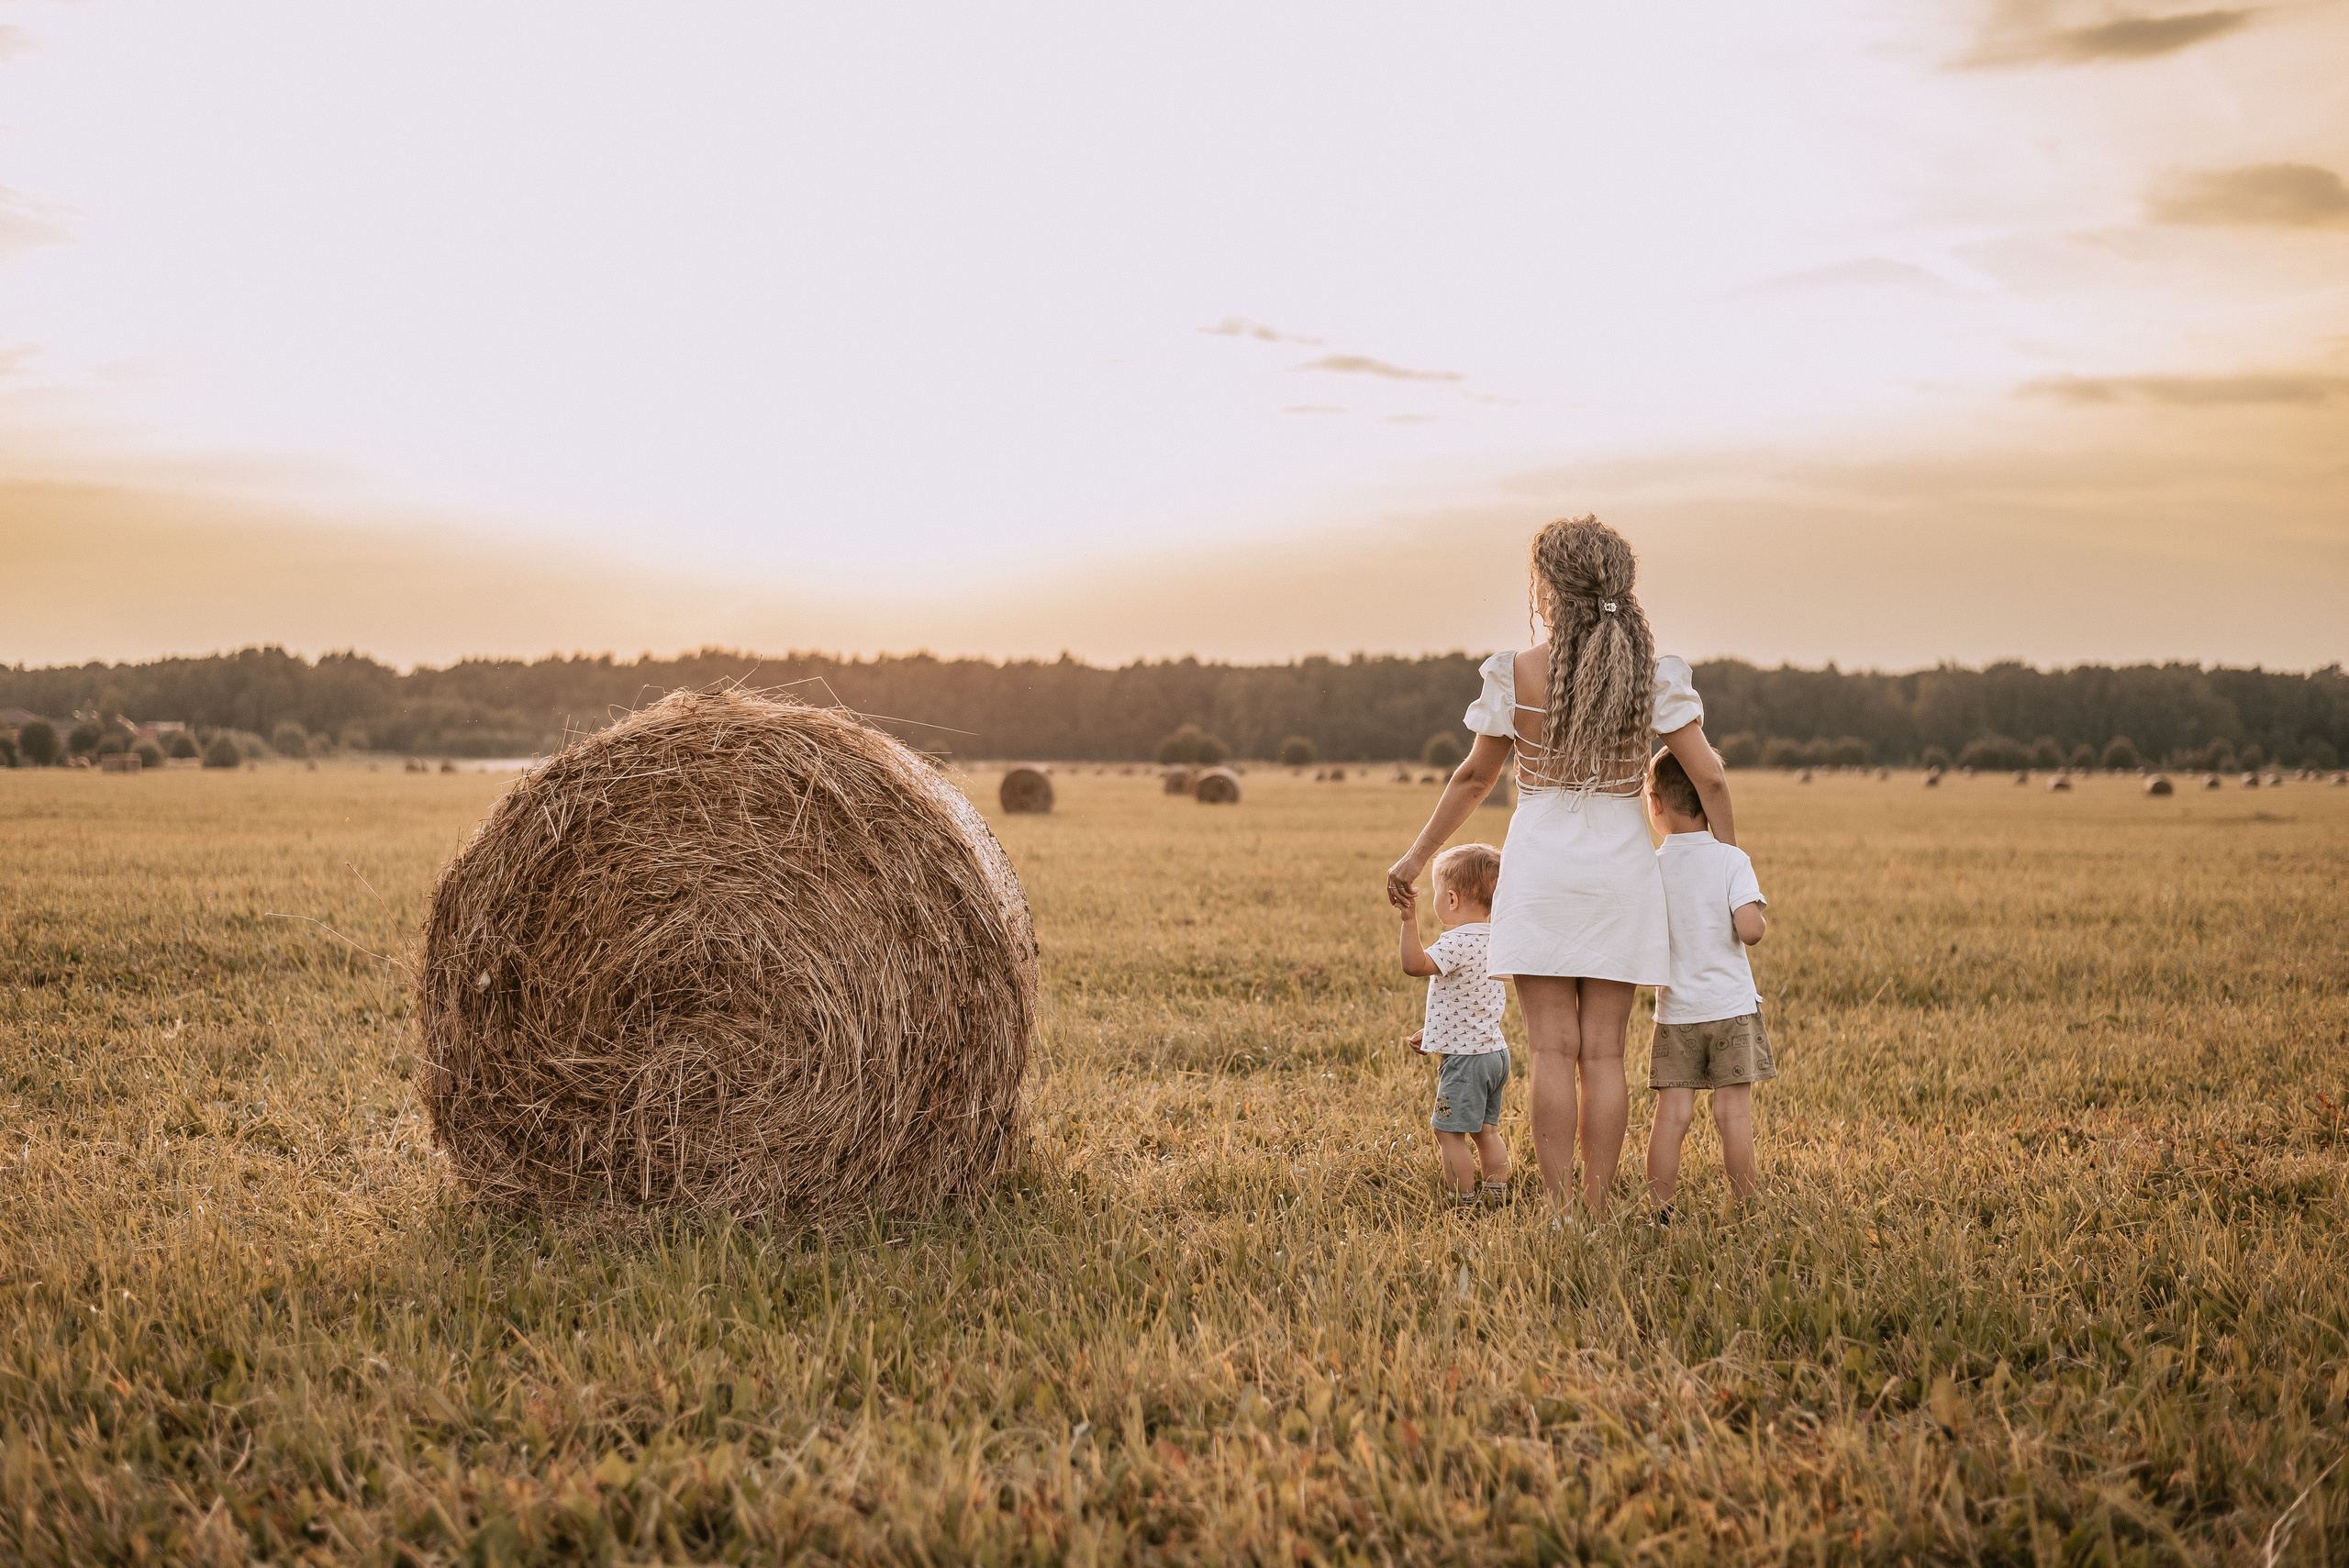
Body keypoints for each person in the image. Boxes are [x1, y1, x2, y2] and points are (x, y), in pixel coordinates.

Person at [1386, 515, 1736, 1218]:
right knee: (1603, 1054)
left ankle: (1561, 1212)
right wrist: (1728, 875)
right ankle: (1601, 1210)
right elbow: (1713, 779)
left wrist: (1418, 855)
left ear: (1547, 587)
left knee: (1551, 1049)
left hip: (1541, 869)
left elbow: (1473, 779)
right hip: (1622, 875)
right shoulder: (1655, 674)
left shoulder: (1515, 673)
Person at [1640, 748, 1772, 1218]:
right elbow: (1751, 931)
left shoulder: (1650, 867)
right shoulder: (1731, 860)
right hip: (1732, 1008)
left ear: (1654, 804)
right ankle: (1746, 1206)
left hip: (1677, 1014)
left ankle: (1660, 1208)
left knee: (1671, 1115)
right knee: (1732, 1115)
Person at [1396, 842, 1511, 1209]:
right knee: (1486, 1130)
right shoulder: (1499, 939)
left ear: (1451, 898)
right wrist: (1431, 1033)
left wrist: (1408, 921)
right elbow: (1470, 1001)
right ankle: (1496, 1196)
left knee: (1448, 1132)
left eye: (1434, 894)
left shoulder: (1456, 941)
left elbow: (1415, 965)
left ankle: (1460, 1203)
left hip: (1466, 1061)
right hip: (1495, 1053)